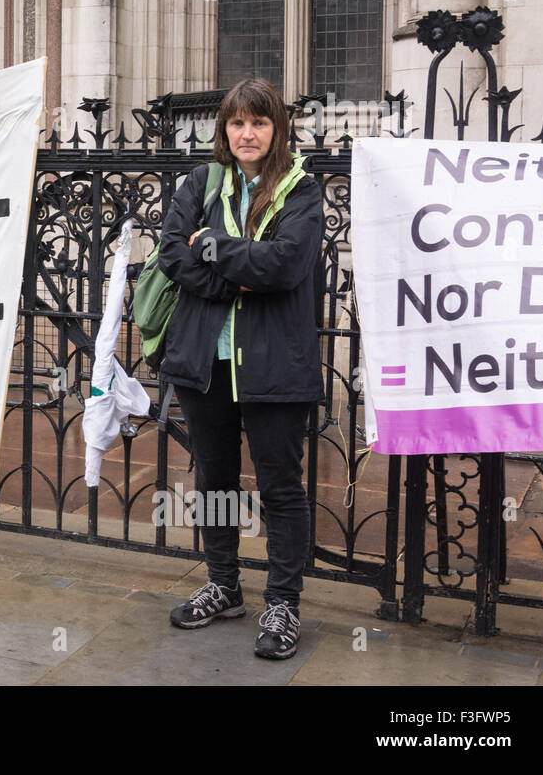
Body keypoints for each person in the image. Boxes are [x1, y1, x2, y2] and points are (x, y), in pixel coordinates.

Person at [155, 77, 324, 660]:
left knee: (280, 486)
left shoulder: (301, 191)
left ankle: (283, 603)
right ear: (223, 130)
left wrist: (215, 248)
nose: (246, 133)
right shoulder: (200, 183)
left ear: (276, 129)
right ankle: (223, 585)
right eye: (236, 123)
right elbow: (173, 254)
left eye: (258, 122)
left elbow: (284, 266)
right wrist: (236, 273)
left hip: (276, 362)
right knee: (214, 480)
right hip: (206, 359)